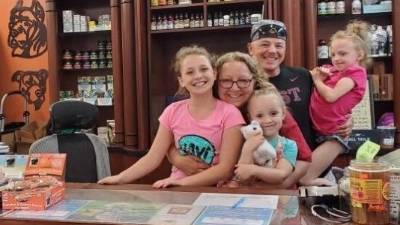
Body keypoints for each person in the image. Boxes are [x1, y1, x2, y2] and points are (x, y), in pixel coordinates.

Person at [98, 45, 245, 187]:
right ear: (181, 80)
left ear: (214, 74)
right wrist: (120, 178)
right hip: (176, 190)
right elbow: (153, 157)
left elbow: (225, 169)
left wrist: (182, 183)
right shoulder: (172, 111)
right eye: (190, 72)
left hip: (213, 192)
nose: (198, 76)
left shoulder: (230, 114)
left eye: (204, 69)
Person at [168, 52, 312, 188]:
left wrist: (263, 188)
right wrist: (177, 159)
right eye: (226, 81)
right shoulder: (207, 107)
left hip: (269, 192)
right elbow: (170, 140)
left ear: (254, 80)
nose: (235, 88)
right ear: (215, 80)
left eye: (243, 81)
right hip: (215, 191)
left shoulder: (270, 110)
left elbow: (304, 159)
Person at [247, 19, 352, 183]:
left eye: (279, 45)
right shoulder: (245, 85)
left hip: (312, 171)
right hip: (268, 173)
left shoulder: (303, 76)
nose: (272, 50)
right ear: (250, 48)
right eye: (265, 44)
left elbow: (327, 105)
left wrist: (347, 118)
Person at [300, 20, 370, 186]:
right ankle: (333, 177)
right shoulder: (334, 71)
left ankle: (333, 185)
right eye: (333, 54)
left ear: (359, 55)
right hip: (319, 131)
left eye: (343, 54)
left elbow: (331, 96)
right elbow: (311, 74)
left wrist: (318, 80)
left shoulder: (354, 74)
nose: (336, 59)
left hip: (334, 135)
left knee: (304, 178)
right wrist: (320, 76)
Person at [233, 85, 298, 185]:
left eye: (273, 113)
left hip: (277, 197)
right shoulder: (244, 141)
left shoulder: (289, 145)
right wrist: (247, 149)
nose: (267, 120)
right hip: (250, 197)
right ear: (250, 118)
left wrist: (254, 170)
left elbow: (281, 175)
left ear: (283, 113)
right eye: (259, 116)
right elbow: (243, 178)